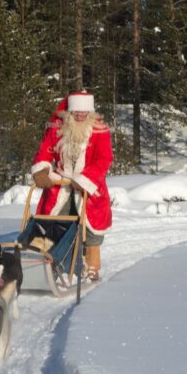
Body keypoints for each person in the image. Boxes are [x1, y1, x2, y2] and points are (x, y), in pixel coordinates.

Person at [30, 90, 112, 281]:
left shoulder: (100, 130)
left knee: (92, 227)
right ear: (70, 111)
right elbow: (45, 151)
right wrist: (41, 169)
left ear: (90, 112)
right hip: (61, 185)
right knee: (53, 222)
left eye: (85, 112)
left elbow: (104, 159)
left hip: (90, 188)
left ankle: (92, 265)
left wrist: (84, 179)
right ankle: (53, 260)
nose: (81, 115)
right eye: (77, 111)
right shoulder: (57, 128)